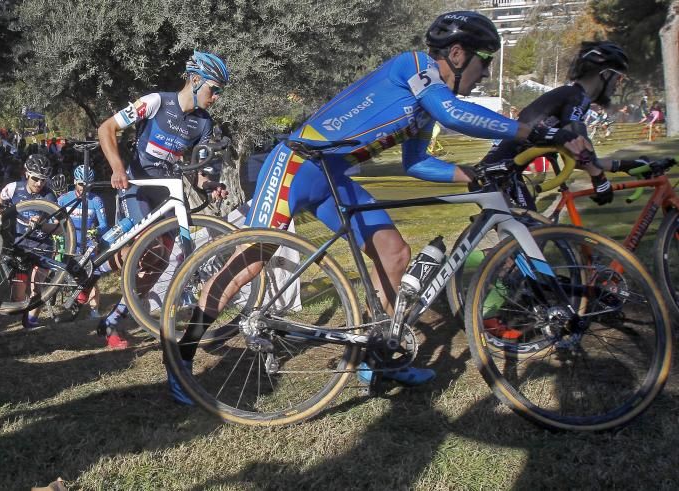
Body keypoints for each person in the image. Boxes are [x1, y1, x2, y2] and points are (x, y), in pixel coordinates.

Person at [171, 11, 592, 404]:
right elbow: (454, 113)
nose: (484, 74)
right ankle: (181, 359)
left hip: (333, 176)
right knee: (253, 259)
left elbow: (417, 163)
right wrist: (533, 129)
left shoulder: (427, 105)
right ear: (458, 54)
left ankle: (378, 356)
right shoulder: (412, 68)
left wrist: (470, 175)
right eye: (485, 61)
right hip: (297, 164)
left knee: (394, 252)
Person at [94, 50, 231, 349]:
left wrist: (210, 184)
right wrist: (118, 168)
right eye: (214, 90)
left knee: (159, 262)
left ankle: (113, 320)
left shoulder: (203, 123)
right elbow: (107, 128)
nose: (216, 98)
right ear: (195, 80)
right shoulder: (157, 101)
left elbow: (200, 170)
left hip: (167, 192)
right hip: (138, 185)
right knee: (147, 246)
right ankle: (91, 269)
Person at [481, 41, 632, 210]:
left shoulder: (569, 95)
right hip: (499, 175)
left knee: (532, 231)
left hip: (501, 172)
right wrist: (599, 178)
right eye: (619, 78)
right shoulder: (577, 97)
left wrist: (628, 166)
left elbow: (582, 159)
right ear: (605, 74)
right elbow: (579, 145)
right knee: (533, 232)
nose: (618, 85)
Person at [0, 153, 57, 330]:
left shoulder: (49, 195)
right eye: (35, 178)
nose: (39, 183)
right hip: (19, 247)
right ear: (26, 173)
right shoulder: (13, 188)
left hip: (42, 247)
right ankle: (22, 317)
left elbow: (57, 225)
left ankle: (31, 323)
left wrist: (42, 225)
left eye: (43, 180)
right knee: (18, 293)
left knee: (36, 287)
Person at [57, 165, 110, 318]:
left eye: (87, 185)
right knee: (69, 278)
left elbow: (104, 225)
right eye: (81, 184)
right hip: (70, 244)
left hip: (88, 247)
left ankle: (94, 311)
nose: (83, 188)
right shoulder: (63, 199)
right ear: (74, 181)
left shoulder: (96, 200)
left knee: (91, 279)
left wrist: (95, 232)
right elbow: (56, 223)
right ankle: (71, 308)